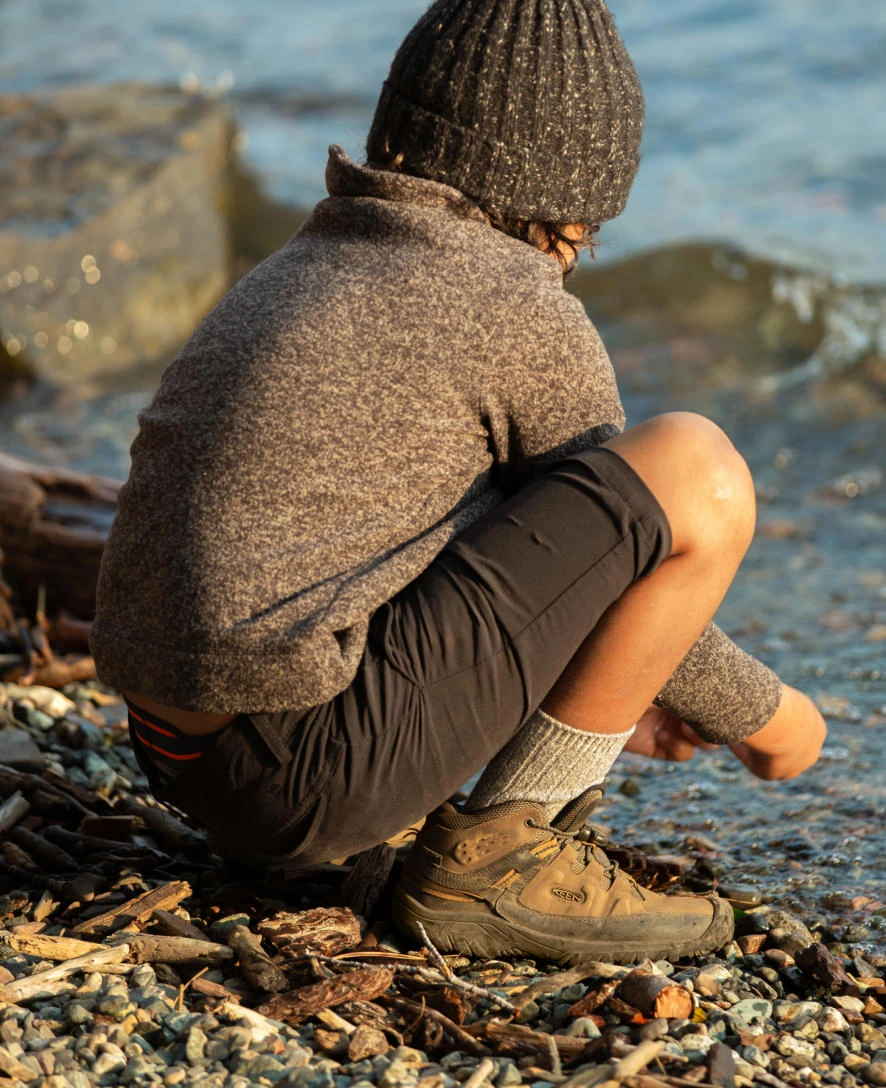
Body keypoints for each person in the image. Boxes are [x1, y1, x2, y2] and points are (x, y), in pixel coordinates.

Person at [91, 0, 827, 965]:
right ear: (564, 201)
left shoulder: (301, 266)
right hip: (300, 773)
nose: (571, 261)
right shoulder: (507, 303)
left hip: (174, 746)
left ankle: (456, 843)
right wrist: (774, 722)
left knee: (540, 492)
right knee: (697, 467)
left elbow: (440, 545)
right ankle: (498, 863)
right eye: (581, 238)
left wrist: (608, 678)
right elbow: (645, 535)